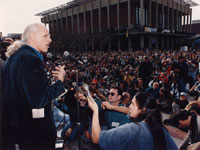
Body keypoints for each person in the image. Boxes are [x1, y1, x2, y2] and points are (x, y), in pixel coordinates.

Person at [0, 23, 66, 150]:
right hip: (36, 135)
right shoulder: (31, 60)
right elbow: (38, 100)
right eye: (46, 36)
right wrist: (59, 83)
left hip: (20, 132)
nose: (50, 40)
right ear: (32, 36)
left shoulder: (13, 58)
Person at [87, 91, 178, 150]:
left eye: (133, 104)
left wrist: (95, 110)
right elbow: (128, 110)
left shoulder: (132, 129)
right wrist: (112, 107)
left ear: (143, 109)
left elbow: (97, 138)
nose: (130, 106)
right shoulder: (160, 128)